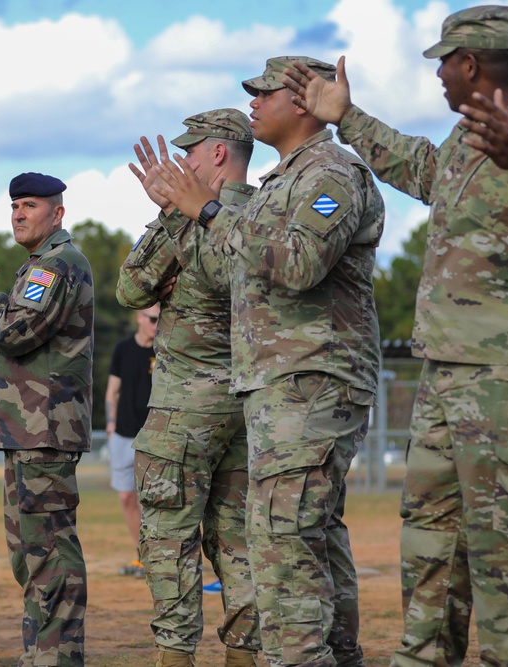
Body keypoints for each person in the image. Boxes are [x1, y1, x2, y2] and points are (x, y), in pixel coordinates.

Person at [283, 6, 508, 665]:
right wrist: (345, 118)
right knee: (432, 540)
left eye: (443, 61)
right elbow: (418, 167)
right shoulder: (467, 139)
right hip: (449, 374)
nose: (437, 74)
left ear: (470, 63)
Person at [155, 57, 385, 667]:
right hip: (281, 383)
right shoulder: (285, 181)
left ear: (304, 103)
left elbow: (299, 262)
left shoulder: (331, 174)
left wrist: (207, 210)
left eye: (264, 93)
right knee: (308, 533)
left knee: (284, 539)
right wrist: (193, 213)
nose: (251, 104)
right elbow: (228, 269)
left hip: (314, 377)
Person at [119, 109, 261, 667]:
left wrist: (168, 214)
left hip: (183, 408)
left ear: (219, 155)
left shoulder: (191, 218)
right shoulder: (268, 214)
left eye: (192, 153)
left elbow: (131, 287)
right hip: (248, 407)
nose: (183, 164)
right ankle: (244, 657)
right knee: (240, 545)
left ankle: (175, 658)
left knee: (169, 540)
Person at [0, 172, 93, 667]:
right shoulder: (35, 267)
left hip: (44, 432)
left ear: (57, 213)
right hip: (26, 433)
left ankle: (57, 659)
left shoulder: (57, 265)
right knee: (30, 557)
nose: (18, 214)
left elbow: (16, 330)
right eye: (14, 206)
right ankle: (40, 656)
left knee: (49, 556)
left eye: (30, 205)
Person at [105, 303, 159, 578]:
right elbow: (112, 392)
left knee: (154, 500)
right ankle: (142, 557)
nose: (156, 325)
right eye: (152, 319)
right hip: (122, 436)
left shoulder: (164, 351)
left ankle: (157, 560)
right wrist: (111, 424)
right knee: (127, 497)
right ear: (139, 318)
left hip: (153, 438)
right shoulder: (123, 349)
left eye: (159, 320)